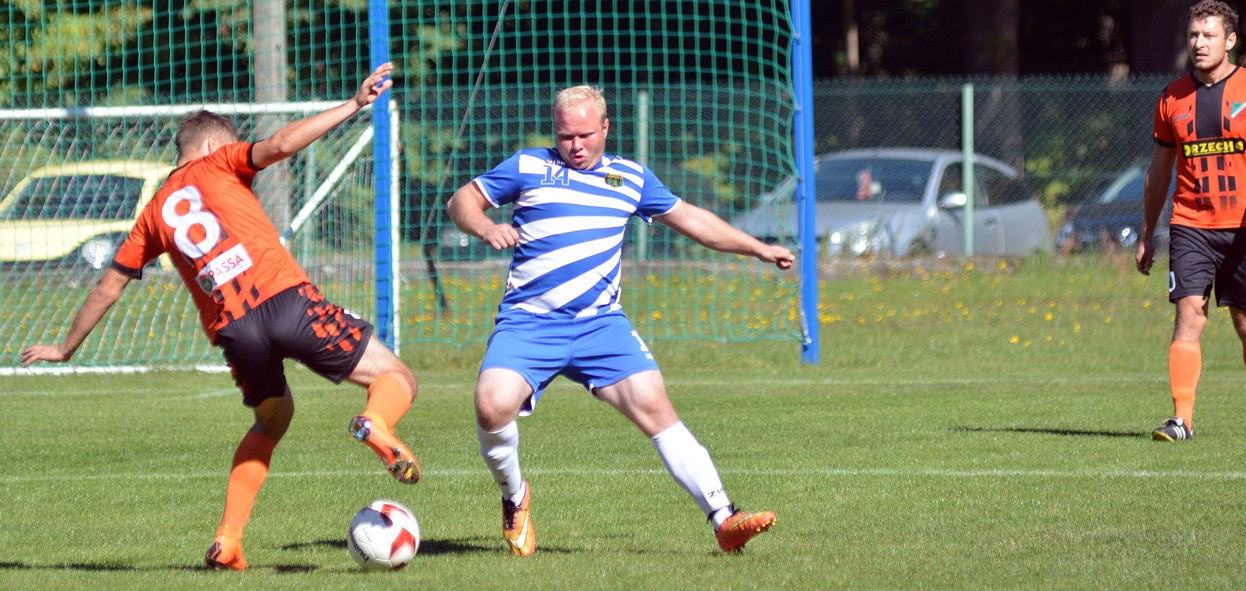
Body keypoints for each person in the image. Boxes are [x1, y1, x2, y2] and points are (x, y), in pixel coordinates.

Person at [21, 63, 423, 570]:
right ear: (214, 145)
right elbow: (280, 144)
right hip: (285, 299)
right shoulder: (220, 162)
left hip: (235, 330)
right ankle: (375, 421)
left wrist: (66, 348)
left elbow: (109, 286)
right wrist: (353, 104)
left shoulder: (153, 213)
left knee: (272, 420)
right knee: (395, 376)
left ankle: (229, 539)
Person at [447, 85, 795, 555]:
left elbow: (692, 220)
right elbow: (461, 202)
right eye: (566, 136)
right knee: (491, 406)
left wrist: (757, 248)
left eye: (586, 135)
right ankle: (515, 496)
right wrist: (487, 226)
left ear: (606, 128)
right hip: (530, 322)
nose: (575, 146)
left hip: (600, 326)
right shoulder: (529, 166)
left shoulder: (630, 178)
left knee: (656, 406)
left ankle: (724, 519)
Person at [1134, 1, 1246, 441]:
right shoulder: (1171, 97)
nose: (1199, 43)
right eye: (1193, 35)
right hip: (1190, 226)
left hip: (1244, 228)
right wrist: (1148, 233)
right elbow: (1159, 174)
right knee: (1189, 314)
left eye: (1209, 35)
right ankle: (1181, 420)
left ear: (1230, 40)